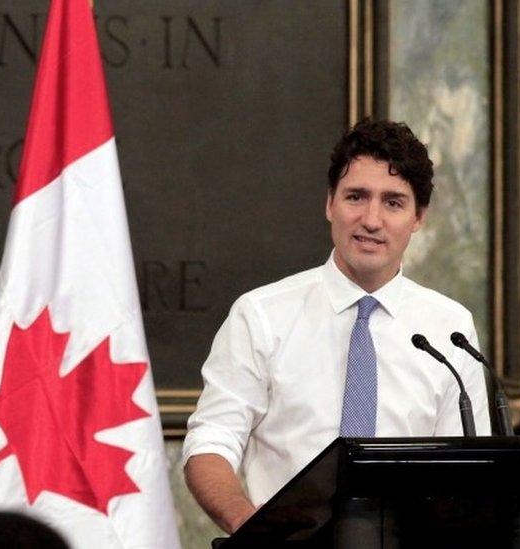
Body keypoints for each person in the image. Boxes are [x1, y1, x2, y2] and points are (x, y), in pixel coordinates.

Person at [181, 119, 491, 534]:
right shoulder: (261, 315)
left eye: (393, 202)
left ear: (418, 218)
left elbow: (464, 475)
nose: (371, 219)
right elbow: (210, 444)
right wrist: (253, 530)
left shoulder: (450, 328)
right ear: (330, 204)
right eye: (356, 197)